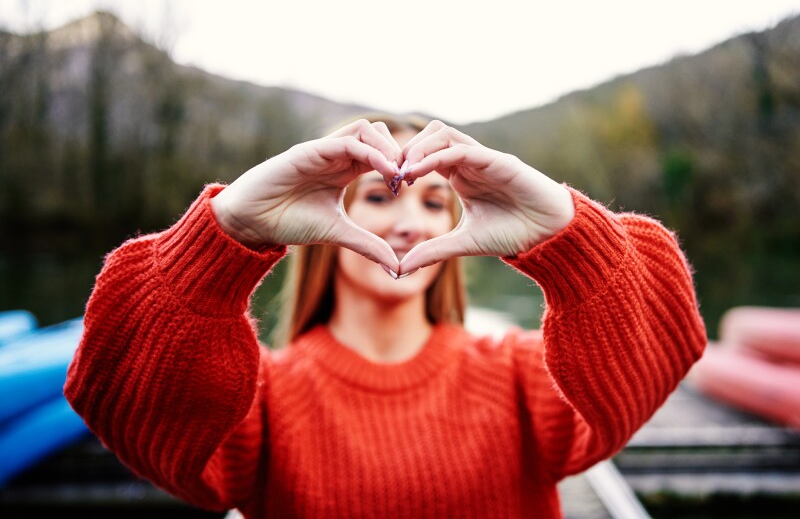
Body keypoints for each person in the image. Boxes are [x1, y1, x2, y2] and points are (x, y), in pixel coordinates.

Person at [65, 116, 707, 518]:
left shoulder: (518, 374)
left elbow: (661, 355)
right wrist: (222, 234)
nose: (409, 221)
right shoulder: (263, 400)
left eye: (436, 201)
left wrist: (571, 238)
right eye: (379, 194)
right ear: (317, 218)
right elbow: (117, 399)